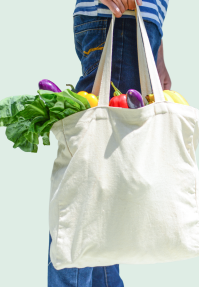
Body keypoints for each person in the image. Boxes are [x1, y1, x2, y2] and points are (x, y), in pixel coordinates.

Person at [48, 0, 170, 286]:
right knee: (88, 189)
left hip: (137, 21)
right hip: (119, 17)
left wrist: (157, 46)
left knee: (103, 182)